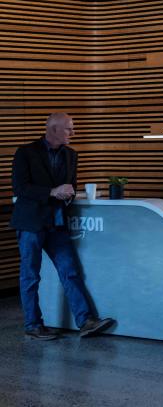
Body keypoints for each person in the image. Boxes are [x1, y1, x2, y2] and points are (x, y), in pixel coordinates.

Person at [11, 112, 116, 341]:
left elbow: (70, 186)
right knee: (30, 275)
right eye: (70, 128)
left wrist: (68, 195)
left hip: (57, 223)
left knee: (70, 272)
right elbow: (20, 188)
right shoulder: (25, 153)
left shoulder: (71, 154)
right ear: (54, 129)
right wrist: (52, 191)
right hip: (31, 223)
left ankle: (85, 321)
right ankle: (33, 325)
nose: (73, 133)